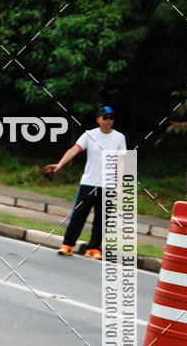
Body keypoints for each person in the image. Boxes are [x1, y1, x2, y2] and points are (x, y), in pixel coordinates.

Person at [45, 105, 127, 258]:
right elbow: (73, 150)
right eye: (105, 118)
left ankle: (94, 248)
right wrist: (59, 165)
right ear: (98, 119)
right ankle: (68, 244)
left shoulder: (119, 138)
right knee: (78, 215)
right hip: (88, 183)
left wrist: (119, 185)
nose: (108, 121)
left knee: (102, 220)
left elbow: (121, 162)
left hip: (107, 186)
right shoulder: (89, 135)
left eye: (111, 118)